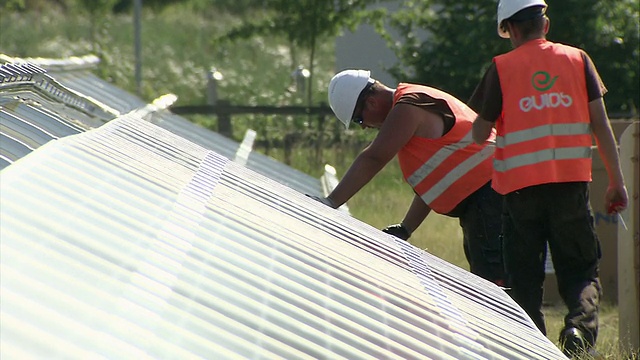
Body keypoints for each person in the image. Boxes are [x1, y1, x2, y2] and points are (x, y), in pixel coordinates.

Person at [468, 0, 628, 357]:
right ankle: (577, 330)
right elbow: (600, 126)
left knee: (524, 279)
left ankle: (532, 348)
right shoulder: (578, 59)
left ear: (509, 29)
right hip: (570, 187)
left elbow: (479, 134)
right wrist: (617, 181)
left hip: (520, 192)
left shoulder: (501, 68)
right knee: (581, 269)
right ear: (546, 23)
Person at [311, 68, 506, 286]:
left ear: (371, 103)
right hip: (484, 200)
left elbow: (374, 158)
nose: (365, 127)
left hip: (491, 199)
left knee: (496, 285)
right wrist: (406, 228)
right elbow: (436, 179)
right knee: (489, 280)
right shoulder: (411, 105)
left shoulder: (408, 108)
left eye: (358, 119)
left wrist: (330, 202)